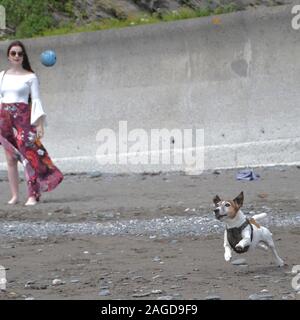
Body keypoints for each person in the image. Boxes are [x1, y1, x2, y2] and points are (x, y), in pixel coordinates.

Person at [0, 40, 63, 206]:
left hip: (23, 118)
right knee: (11, 159)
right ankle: (14, 196)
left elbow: (35, 101)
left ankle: (32, 195)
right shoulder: (2, 75)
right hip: (4, 118)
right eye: (13, 53)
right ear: (8, 56)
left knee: (29, 155)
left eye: (20, 53)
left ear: (23, 56)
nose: (16, 56)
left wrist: (39, 124)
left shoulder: (30, 77)